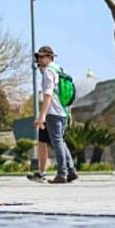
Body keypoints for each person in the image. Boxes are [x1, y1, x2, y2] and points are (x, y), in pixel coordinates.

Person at [33, 46, 79, 184]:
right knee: (61, 141)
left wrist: (42, 116)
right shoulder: (59, 69)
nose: (39, 60)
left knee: (57, 142)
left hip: (53, 111)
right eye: (38, 57)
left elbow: (48, 95)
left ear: (49, 57)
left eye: (42, 57)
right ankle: (71, 171)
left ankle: (62, 173)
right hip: (63, 111)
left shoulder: (48, 71)